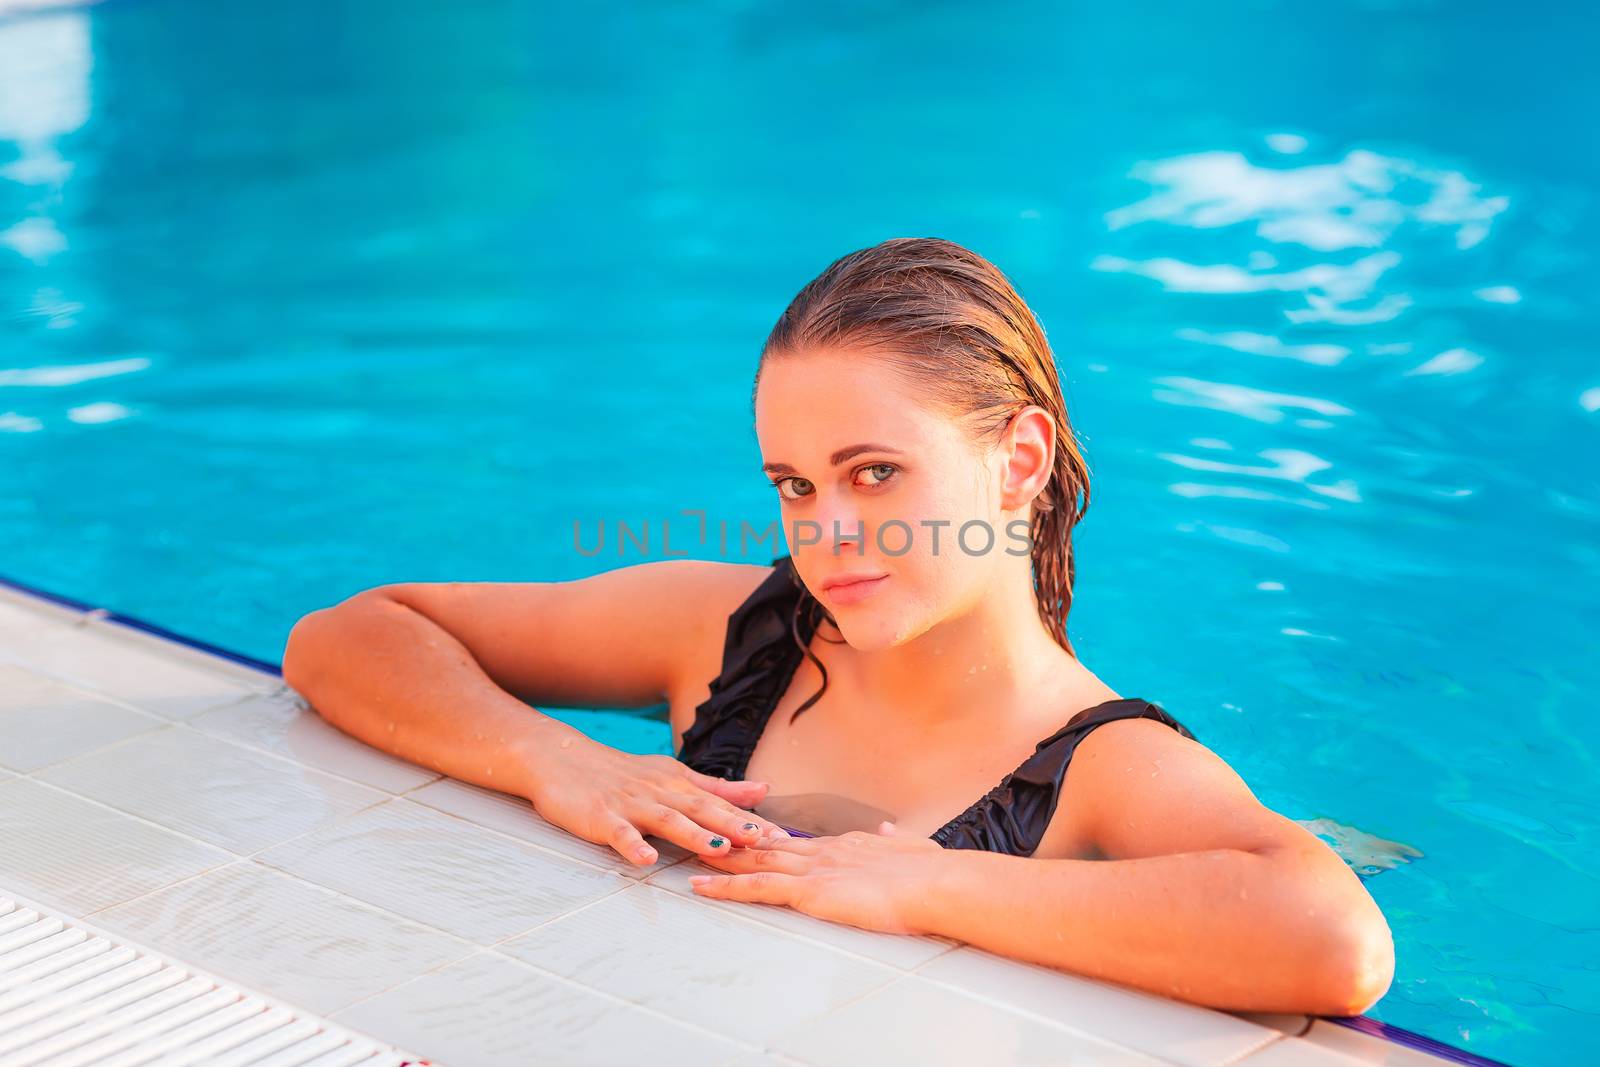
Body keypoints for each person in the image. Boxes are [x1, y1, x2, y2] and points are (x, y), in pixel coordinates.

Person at [282, 237, 1394, 1015]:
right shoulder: (730, 633)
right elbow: (350, 632)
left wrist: (926, 881)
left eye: (874, 472)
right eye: (796, 485)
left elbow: (1334, 939)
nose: (829, 532)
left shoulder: (1097, 765)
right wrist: (553, 757)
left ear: (1018, 460)